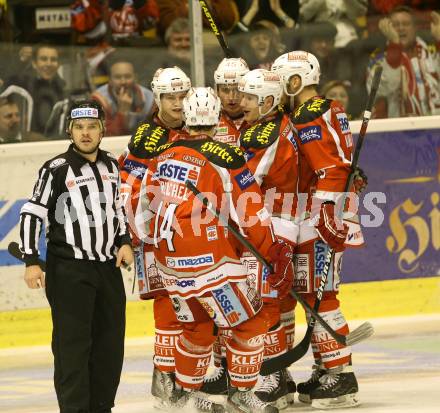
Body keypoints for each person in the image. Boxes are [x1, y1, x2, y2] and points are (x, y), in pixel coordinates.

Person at [137, 86, 294, 412]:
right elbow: (251, 211)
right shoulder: (228, 155)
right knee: (249, 324)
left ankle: (181, 397)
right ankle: (241, 394)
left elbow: (141, 215)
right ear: (215, 119)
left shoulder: (163, 155)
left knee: (196, 328)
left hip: (170, 264)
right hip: (211, 265)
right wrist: (272, 253)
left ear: (188, 119)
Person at [19, 99, 134, 413]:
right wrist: (31, 260)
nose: (85, 133)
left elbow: (119, 209)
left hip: (107, 270)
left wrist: (124, 241)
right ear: (70, 130)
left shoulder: (112, 165)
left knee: (110, 346)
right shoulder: (56, 169)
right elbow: (32, 213)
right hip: (69, 271)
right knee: (73, 348)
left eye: (92, 127)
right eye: (79, 127)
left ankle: (101, 407)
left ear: (102, 130)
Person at [272, 50, 365, 409]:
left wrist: (327, 211)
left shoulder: (309, 116)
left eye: (282, 82)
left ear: (296, 81)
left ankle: (340, 377)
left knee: (319, 296)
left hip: (320, 215)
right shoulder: (326, 107)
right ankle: (327, 368)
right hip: (328, 211)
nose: (279, 88)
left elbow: (331, 168)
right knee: (314, 292)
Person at [237, 68, 299, 408]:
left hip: (270, 225)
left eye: (249, 98)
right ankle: (281, 376)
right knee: (276, 302)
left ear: (269, 101)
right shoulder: (275, 123)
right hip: (279, 221)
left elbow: (245, 182)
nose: (240, 102)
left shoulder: (264, 134)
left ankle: (273, 377)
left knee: (265, 302)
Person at [366, 6, 440, 117]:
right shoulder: (379, 60)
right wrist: (394, 45)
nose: (401, 28)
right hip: (399, 129)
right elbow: (383, 91)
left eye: (406, 24)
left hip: (433, 126)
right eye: (395, 25)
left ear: (415, 28)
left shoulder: (431, 55)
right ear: (388, 30)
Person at [5, 45, 66, 135]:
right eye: (43, 59)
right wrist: (20, 62)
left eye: (53, 60)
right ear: (34, 63)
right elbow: (4, 86)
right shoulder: (22, 84)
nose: (49, 64)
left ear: (58, 64)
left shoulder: (63, 87)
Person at [92, 56, 154, 136]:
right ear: (110, 80)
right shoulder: (99, 99)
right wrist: (122, 111)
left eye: (127, 76)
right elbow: (107, 136)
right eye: (117, 77)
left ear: (135, 78)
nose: (123, 81)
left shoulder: (149, 98)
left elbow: (153, 131)